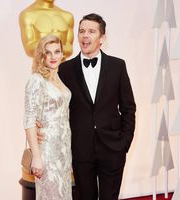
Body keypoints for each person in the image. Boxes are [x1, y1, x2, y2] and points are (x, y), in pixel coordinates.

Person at [38, 13, 136, 200]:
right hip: (80, 149)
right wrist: (41, 128)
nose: (85, 35)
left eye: (91, 31)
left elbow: (129, 108)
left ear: (102, 38)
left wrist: (124, 142)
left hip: (113, 148)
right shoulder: (65, 69)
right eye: (82, 31)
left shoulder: (118, 66)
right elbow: (55, 106)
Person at [23, 34, 72, 200]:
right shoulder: (37, 80)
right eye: (48, 52)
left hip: (63, 151)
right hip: (48, 152)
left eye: (57, 51)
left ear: (62, 54)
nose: (53, 56)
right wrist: (37, 157)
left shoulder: (58, 77)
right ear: (41, 55)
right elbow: (29, 120)